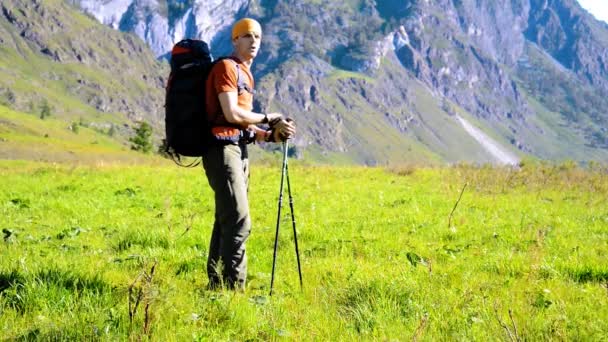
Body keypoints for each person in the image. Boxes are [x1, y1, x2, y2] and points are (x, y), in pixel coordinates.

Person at [203, 18, 296, 290]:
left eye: (257, 36)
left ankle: (216, 286)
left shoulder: (246, 73)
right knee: (239, 220)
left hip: (239, 150)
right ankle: (233, 291)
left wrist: (269, 135)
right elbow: (231, 113)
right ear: (234, 40)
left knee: (226, 220)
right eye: (246, 35)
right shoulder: (226, 68)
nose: (253, 40)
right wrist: (269, 117)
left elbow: (242, 122)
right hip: (222, 149)